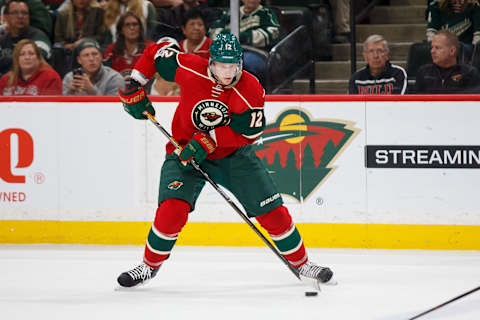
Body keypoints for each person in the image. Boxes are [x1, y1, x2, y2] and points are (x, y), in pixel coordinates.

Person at [116, 33, 334, 288]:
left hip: (232, 155)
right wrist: (135, 83)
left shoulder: (251, 88)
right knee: (171, 211)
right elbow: (156, 51)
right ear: (211, 62)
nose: (228, 72)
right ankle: (148, 267)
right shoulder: (189, 66)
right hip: (184, 152)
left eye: (233, 65)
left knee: (272, 211)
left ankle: (302, 263)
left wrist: (210, 140)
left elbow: (249, 133)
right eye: (222, 65)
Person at [209, 0, 280, 83]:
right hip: (228, 52)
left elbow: (272, 33)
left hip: (257, 53)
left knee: (245, 63)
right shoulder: (230, 13)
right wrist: (234, 38)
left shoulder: (266, 13)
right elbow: (214, 32)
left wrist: (241, 37)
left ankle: (249, 92)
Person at [151, 9, 212, 95]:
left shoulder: (213, 48)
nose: (196, 28)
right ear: (183, 29)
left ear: (205, 28)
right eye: (192, 24)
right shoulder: (176, 48)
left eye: (200, 24)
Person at [415, 29, 480, 93]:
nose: (432, 51)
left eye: (437, 48)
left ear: (452, 51)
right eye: (432, 47)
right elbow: (415, 101)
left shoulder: (469, 74)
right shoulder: (423, 72)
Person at [0, 0, 51, 76]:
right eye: (15, 13)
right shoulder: (2, 39)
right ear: (5, 17)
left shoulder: (39, 36)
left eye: (24, 13)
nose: (20, 16)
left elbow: (37, 58)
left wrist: (4, 61)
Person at [103, 11, 155, 79]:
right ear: (121, 30)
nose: (132, 28)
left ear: (140, 28)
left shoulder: (151, 48)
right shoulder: (112, 50)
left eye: (135, 24)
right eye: (127, 25)